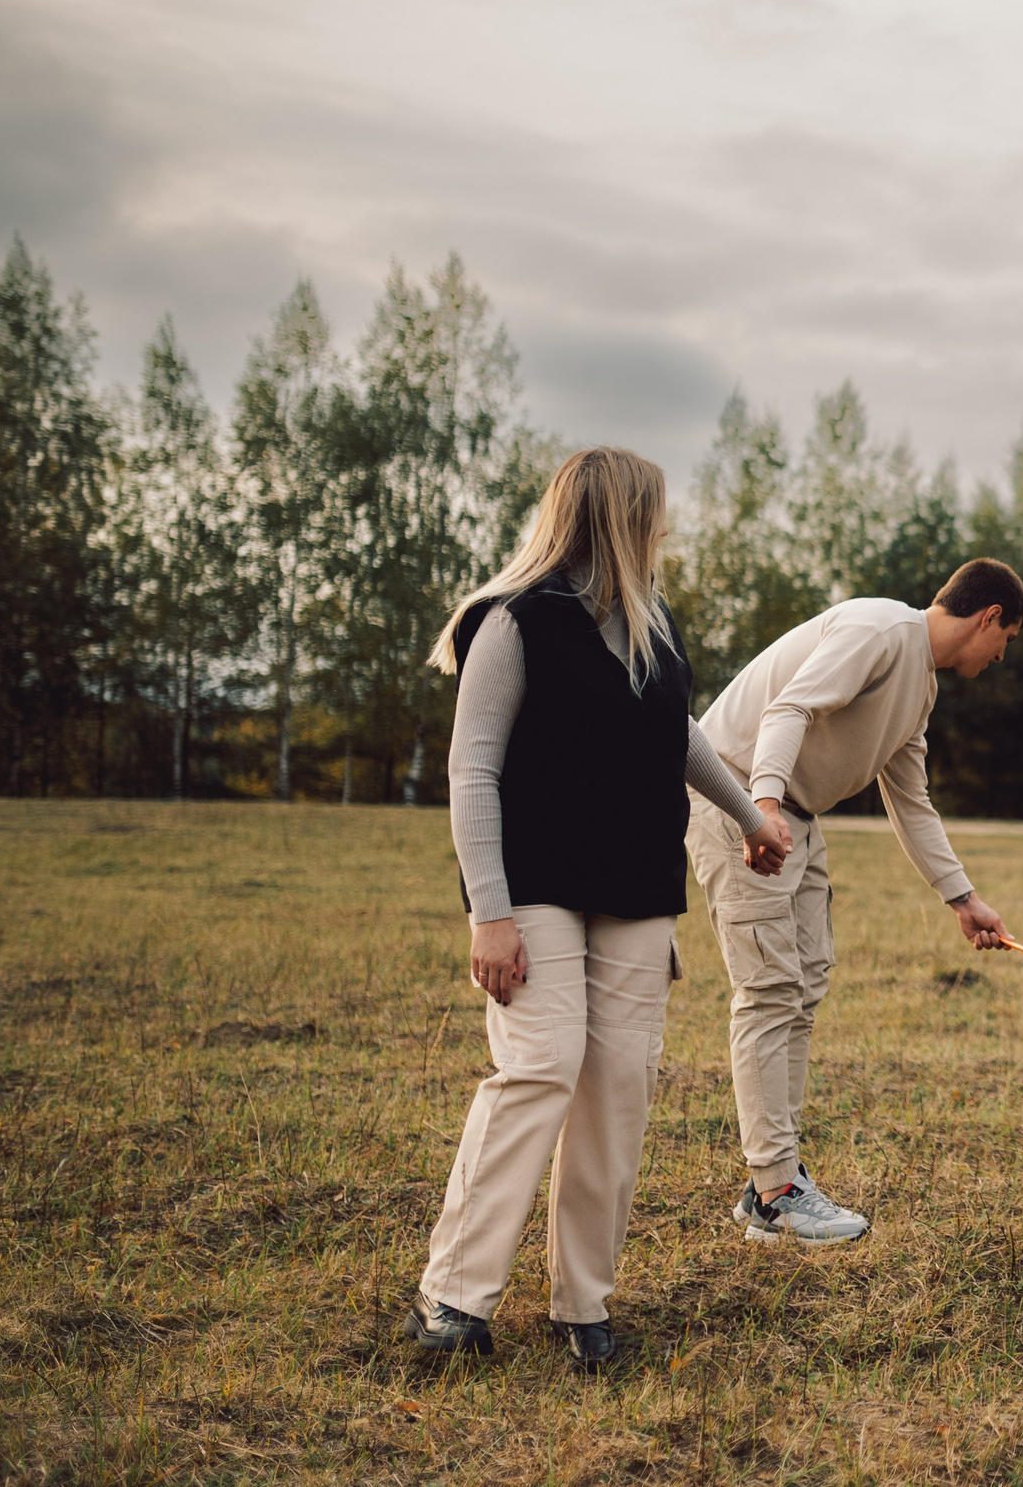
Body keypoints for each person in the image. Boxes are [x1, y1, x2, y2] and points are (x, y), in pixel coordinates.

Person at [404, 447, 787, 1371]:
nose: (664, 528)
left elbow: (677, 734)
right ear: (619, 515)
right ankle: (453, 1297)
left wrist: (749, 814)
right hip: (531, 882)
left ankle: (585, 1304)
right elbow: (472, 768)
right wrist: (486, 911)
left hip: (635, 887)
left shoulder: (653, 630)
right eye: (654, 511)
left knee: (618, 1086)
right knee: (540, 1066)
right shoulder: (515, 622)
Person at [688, 559, 1023, 1244]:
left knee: (805, 983)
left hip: (796, 818)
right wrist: (763, 809)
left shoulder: (919, 687)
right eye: (1007, 639)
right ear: (988, 616)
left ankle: (770, 1185)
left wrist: (962, 898)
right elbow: (790, 708)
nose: (1000, 656)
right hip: (742, 798)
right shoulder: (881, 628)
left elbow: (910, 800)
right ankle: (779, 1188)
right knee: (769, 989)